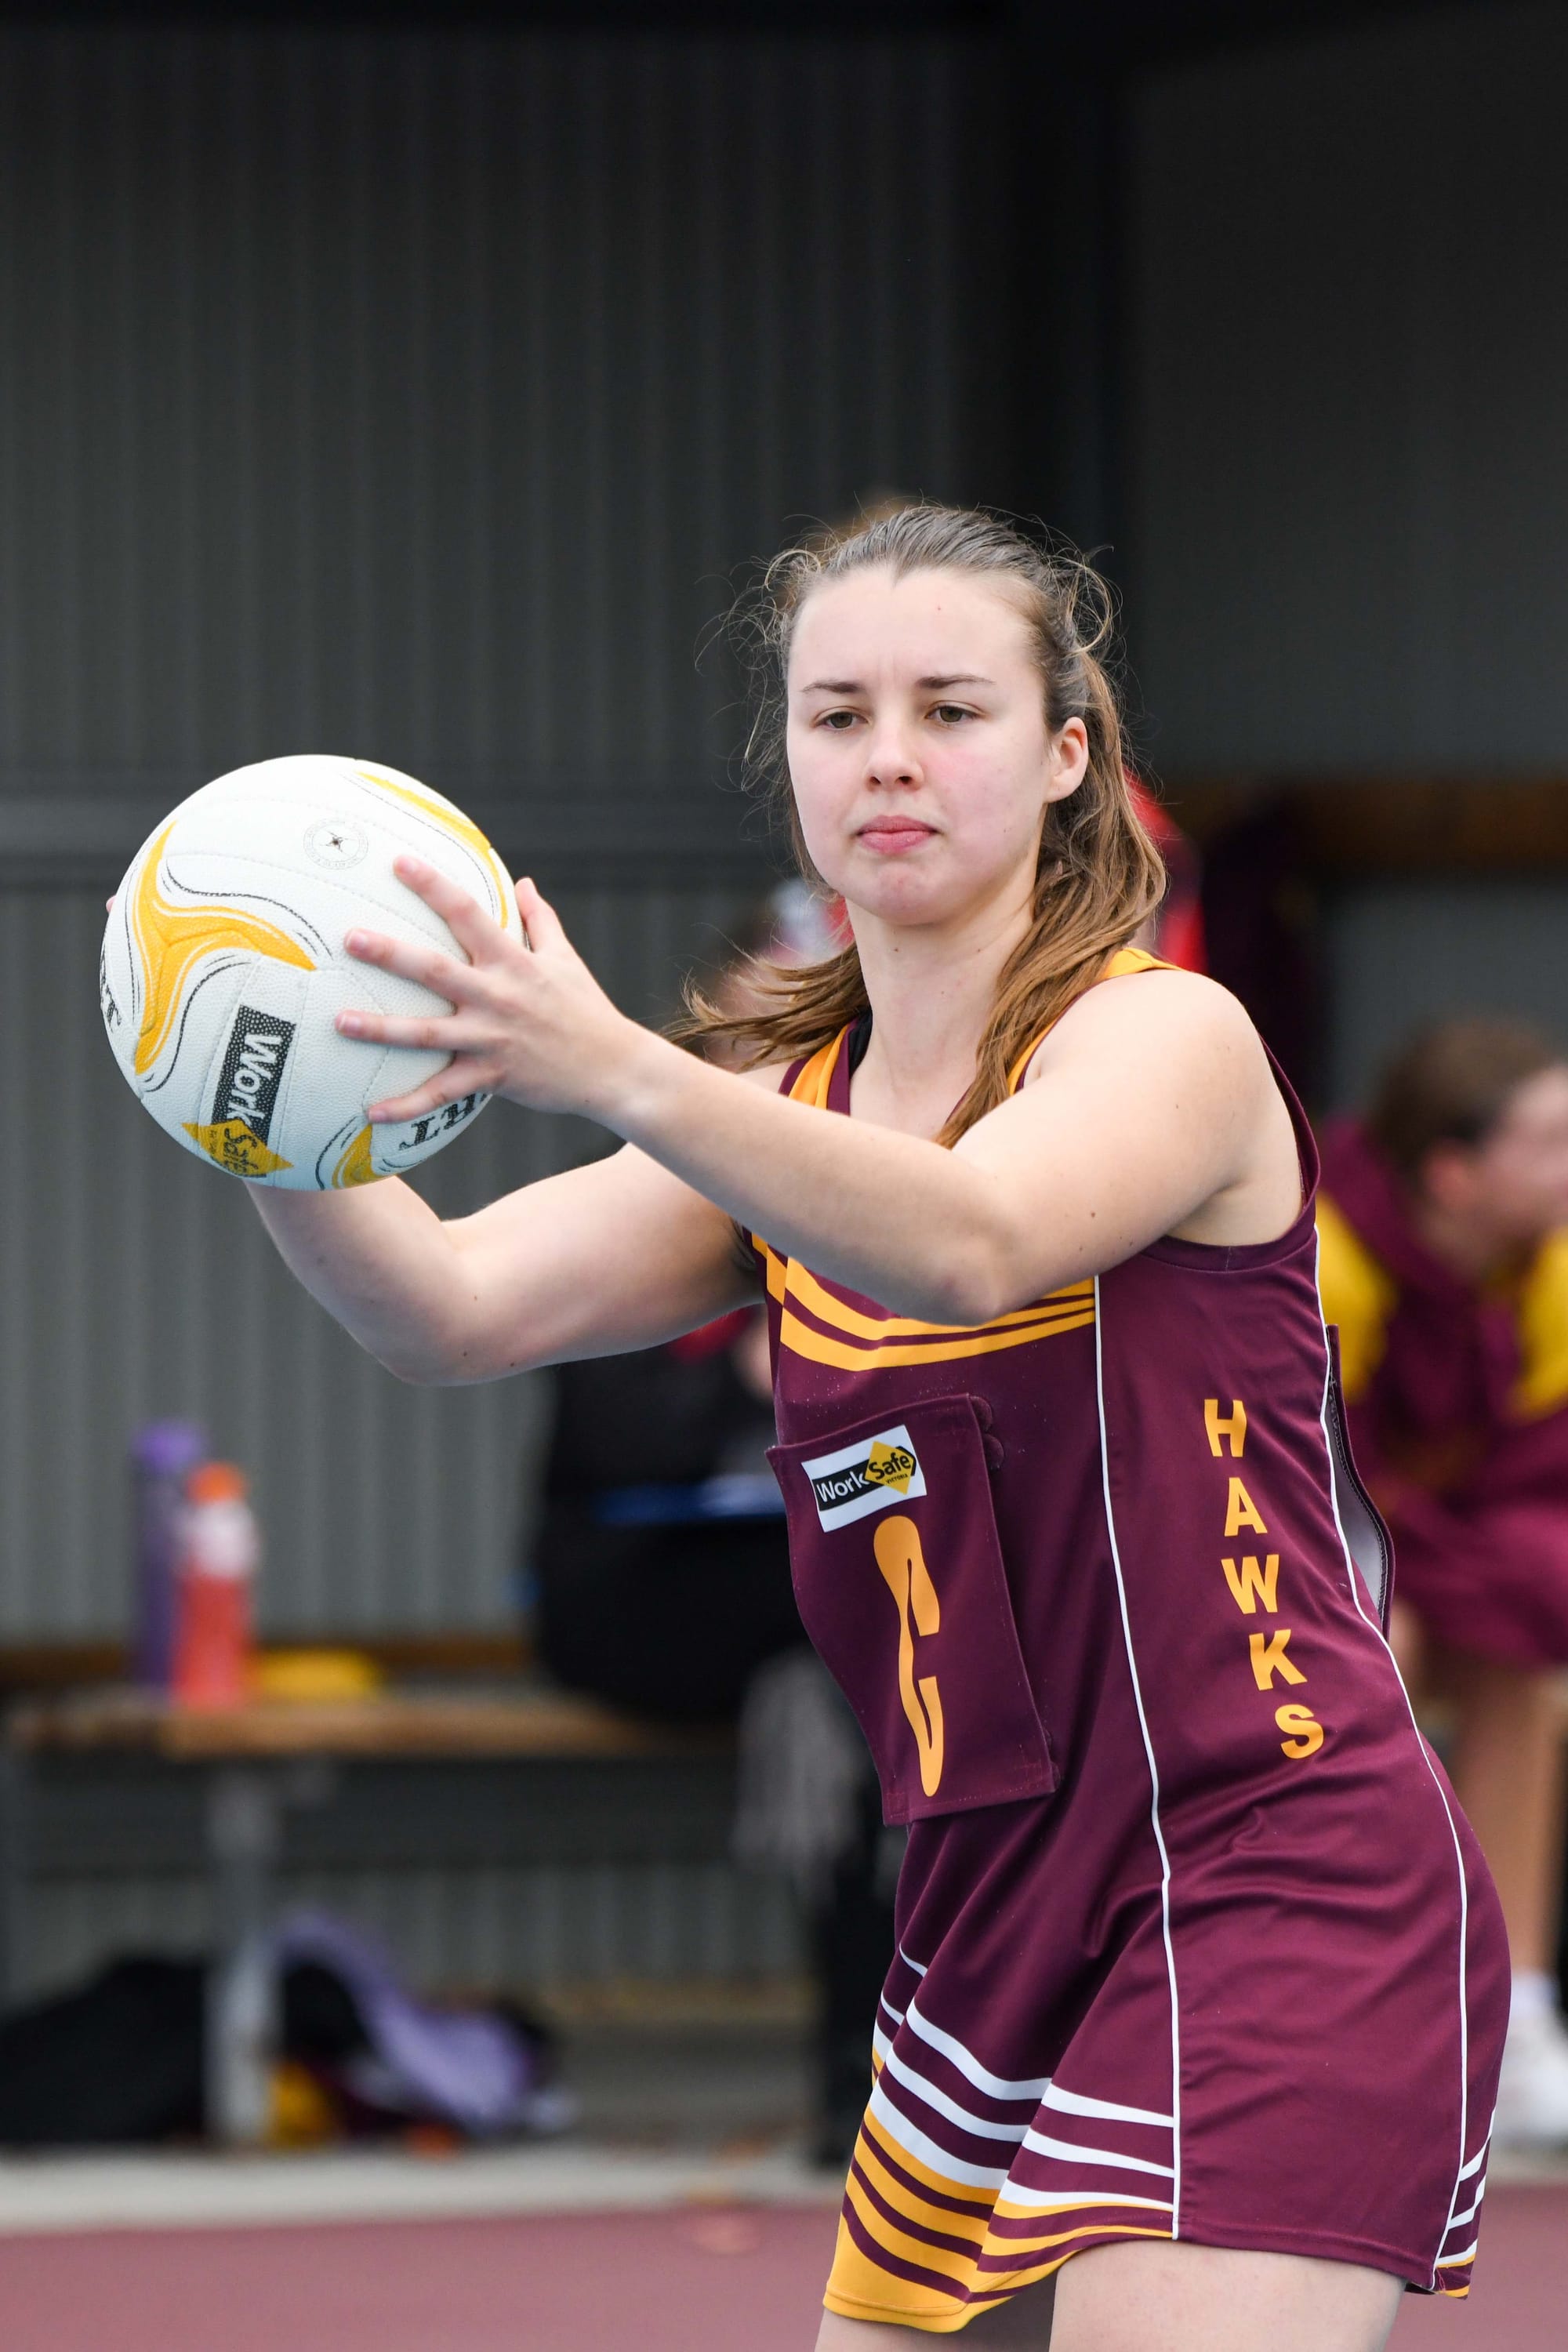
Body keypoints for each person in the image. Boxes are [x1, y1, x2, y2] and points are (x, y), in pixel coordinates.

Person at [252, 506, 1505, 2350]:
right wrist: (256, 1107)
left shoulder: (1162, 1043)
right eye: (837, 715)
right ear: (789, 761)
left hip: (1270, 1866)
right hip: (992, 1911)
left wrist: (607, 1059)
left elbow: (973, 1240)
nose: (890, 755)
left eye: (950, 708)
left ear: (1066, 755)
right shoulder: (782, 1108)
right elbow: (444, 1312)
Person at [1317, 1020, 1568, 2149]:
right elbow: (1310, 1474)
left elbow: (1543, 1465)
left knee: (1525, 1678)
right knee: (1384, 1645)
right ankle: (1356, 2020)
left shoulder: (1550, 1263)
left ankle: (1514, 2027)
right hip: (1315, 1554)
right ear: (1454, 1174)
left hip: (1439, 1546)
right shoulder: (1330, 1258)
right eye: (1551, 1143)